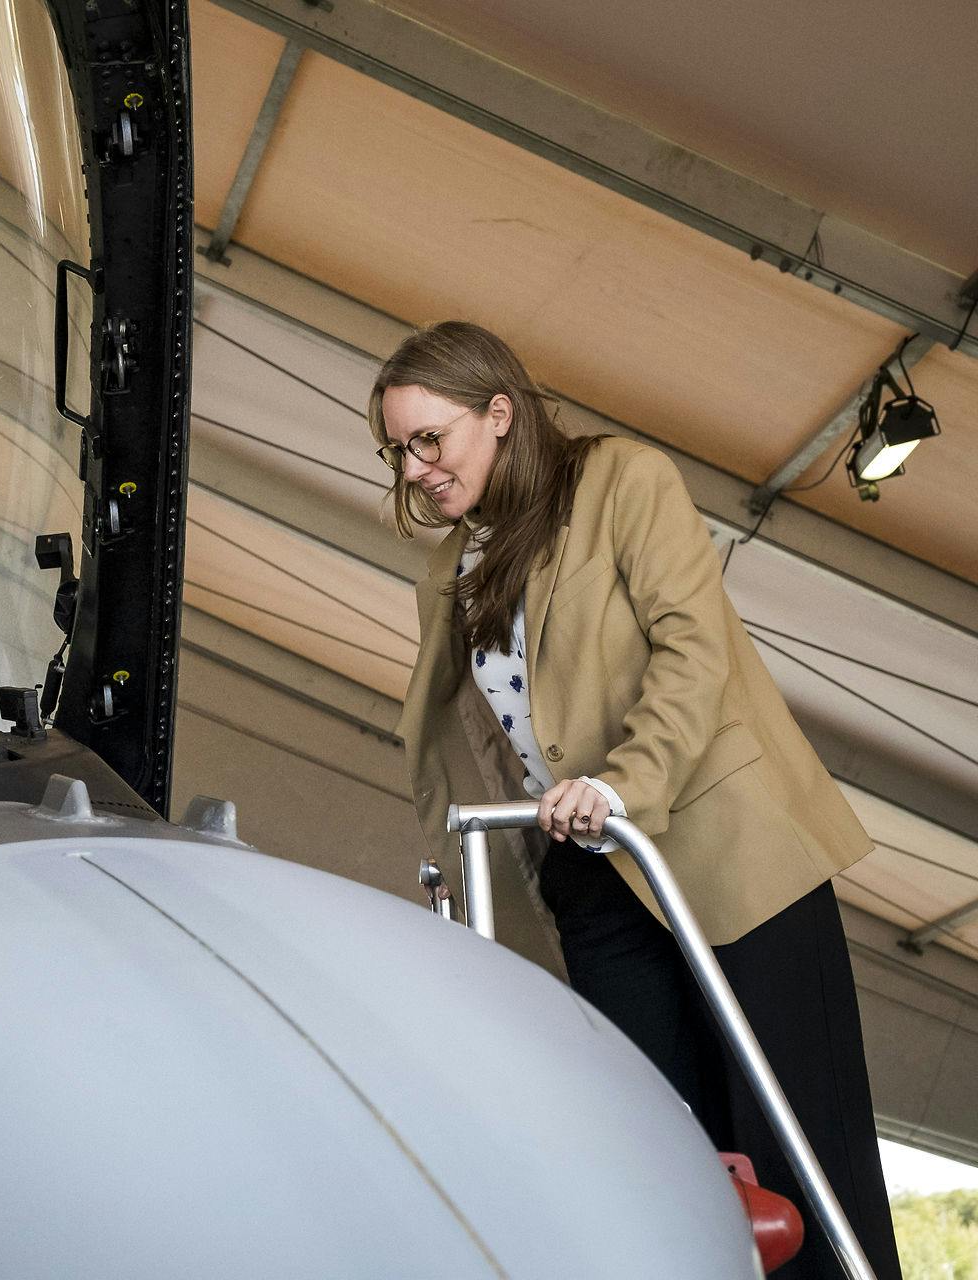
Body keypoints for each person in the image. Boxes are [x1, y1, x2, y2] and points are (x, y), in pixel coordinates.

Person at [374, 320, 901, 1279]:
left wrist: (624, 785)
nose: (413, 469)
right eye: (397, 450)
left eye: (428, 440)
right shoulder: (449, 568)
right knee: (660, 1152)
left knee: (799, 1152)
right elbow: (473, 744)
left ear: (499, 415)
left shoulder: (623, 483)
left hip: (726, 857)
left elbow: (693, 647)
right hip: (594, 882)